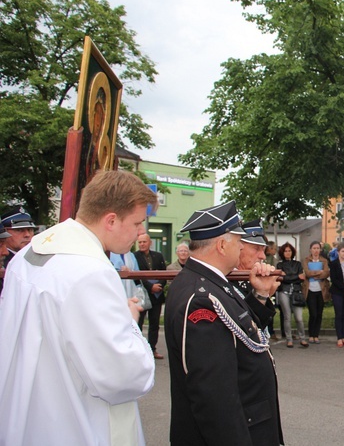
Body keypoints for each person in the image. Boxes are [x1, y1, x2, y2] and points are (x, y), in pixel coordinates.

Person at [0, 170, 156, 445]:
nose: (140, 232)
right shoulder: (90, 272)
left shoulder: (27, 254)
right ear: (111, 220)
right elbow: (123, 376)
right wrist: (130, 320)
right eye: (136, 223)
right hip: (72, 424)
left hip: (25, 413)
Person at [164, 201, 283, 446]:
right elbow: (214, 399)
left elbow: (238, 333)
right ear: (221, 245)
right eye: (239, 242)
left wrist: (260, 296)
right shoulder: (201, 299)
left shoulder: (208, 282)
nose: (241, 249)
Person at [134, 233, 167, 359]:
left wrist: (159, 285)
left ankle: (152, 349)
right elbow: (137, 275)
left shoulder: (158, 256)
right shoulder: (134, 256)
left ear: (150, 243)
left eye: (144, 242)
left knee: (155, 324)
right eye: (140, 242)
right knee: (139, 323)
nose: (142, 244)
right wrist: (150, 287)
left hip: (157, 296)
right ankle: (138, 349)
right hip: (142, 294)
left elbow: (164, 273)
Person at [276, 242, 308, 348]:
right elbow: (282, 279)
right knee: (287, 317)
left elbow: (302, 278)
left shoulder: (298, 264)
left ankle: (302, 338)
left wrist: (289, 277)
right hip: (283, 292)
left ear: (292, 252)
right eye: (285, 251)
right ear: (282, 252)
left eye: (289, 251)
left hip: (296, 292)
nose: (288, 253)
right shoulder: (279, 265)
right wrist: (296, 277)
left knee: (299, 318)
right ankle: (289, 339)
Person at [302, 241, 329, 344]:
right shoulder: (306, 260)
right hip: (310, 290)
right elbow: (307, 273)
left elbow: (326, 273)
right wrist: (319, 272)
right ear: (310, 249)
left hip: (321, 290)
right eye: (314, 248)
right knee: (312, 313)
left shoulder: (324, 261)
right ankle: (311, 334)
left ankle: (316, 335)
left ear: (320, 250)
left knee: (319, 313)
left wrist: (318, 274)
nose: (316, 250)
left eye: (318, 248)